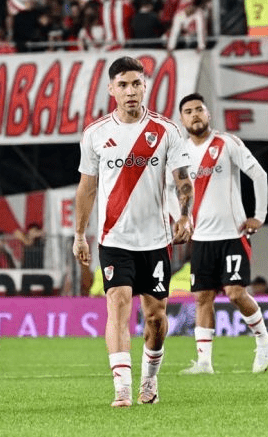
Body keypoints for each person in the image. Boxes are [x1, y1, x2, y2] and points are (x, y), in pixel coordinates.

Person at [72, 56, 193, 407]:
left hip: (156, 239)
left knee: (155, 318)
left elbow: (182, 179)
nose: (130, 91)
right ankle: (122, 387)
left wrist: (185, 216)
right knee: (118, 303)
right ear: (111, 89)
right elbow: (87, 188)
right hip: (114, 238)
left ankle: (149, 380)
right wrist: (79, 234)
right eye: (123, 85)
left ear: (145, 87)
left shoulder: (167, 130)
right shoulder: (95, 134)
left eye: (136, 84)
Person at [175, 93, 268, 375]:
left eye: (199, 109)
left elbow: (259, 175)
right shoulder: (180, 153)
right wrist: (179, 220)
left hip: (232, 234)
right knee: (202, 297)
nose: (195, 115)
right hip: (201, 238)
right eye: (188, 112)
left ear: (208, 114)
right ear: (182, 120)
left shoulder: (227, 143)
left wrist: (259, 215)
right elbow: (175, 191)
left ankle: (263, 338)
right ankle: (204, 363)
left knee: (235, 293)